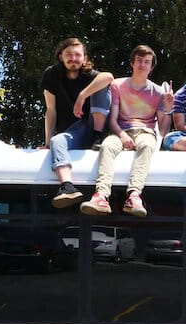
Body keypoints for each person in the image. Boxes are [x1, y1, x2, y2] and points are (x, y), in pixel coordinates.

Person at [77, 45, 172, 217]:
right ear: (132, 63)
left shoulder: (158, 92)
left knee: (147, 147)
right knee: (106, 146)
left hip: (146, 132)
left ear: (152, 67)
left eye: (147, 62)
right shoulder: (117, 85)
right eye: (139, 61)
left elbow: (163, 130)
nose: (142, 65)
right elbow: (112, 120)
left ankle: (134, 195)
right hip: (121, 131)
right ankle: (101, 196)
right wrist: (122, 135)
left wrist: (168, 108)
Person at [40, 38, 113, 208]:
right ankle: (67, 186)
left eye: (77, 55)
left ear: (84, 58)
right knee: (56, 141)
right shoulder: (51, 75)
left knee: (101, 85)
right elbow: (51, 110)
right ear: (60, 57)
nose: (73, 59)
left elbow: (108, 77)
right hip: (74, 132)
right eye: (69, 55)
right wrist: (46, 142)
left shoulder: (90, 75)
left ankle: (97, 136)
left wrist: (82, 96)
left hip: (93, 124)